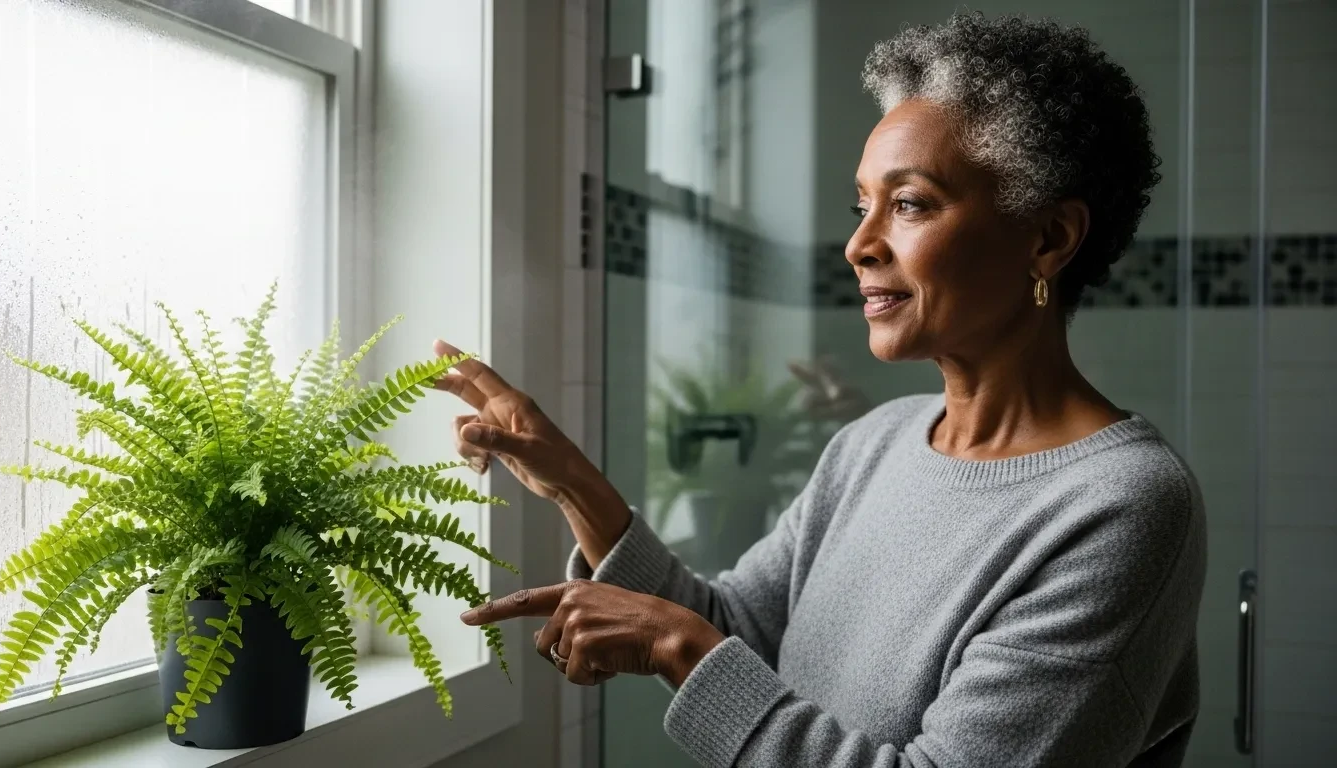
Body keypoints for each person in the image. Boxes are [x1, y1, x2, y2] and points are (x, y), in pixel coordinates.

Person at [441, 12, 1205, 768]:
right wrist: (574, 484)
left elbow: (703, 646)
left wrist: (678, 647)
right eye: (861, 205)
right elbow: (735, 628)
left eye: (908, 204)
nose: (858, 245)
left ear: (1049, 239)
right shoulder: (875, 443)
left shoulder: (1122, 505)